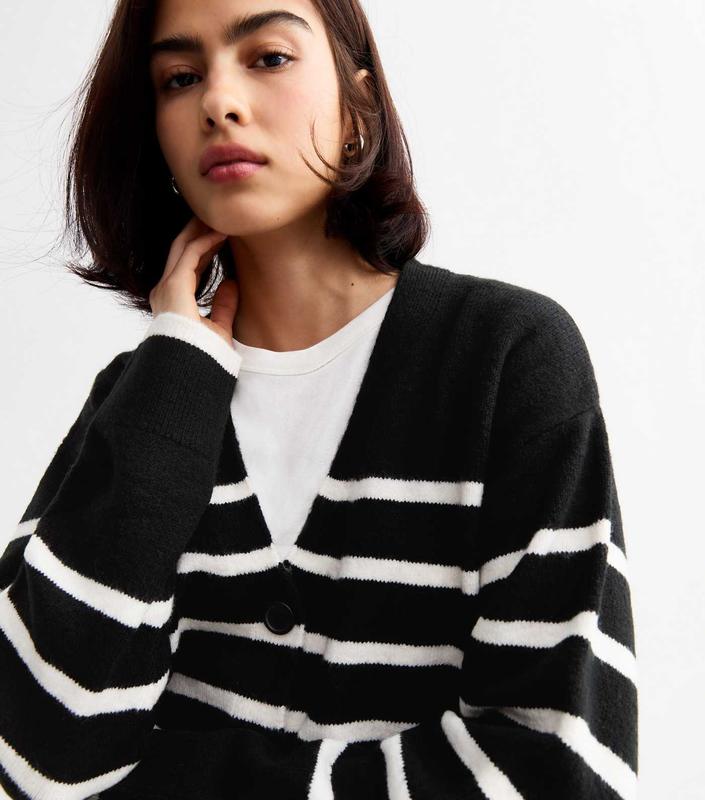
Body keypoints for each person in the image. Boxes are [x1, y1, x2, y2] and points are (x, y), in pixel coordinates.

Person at [0, 1, 638, 798]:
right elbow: (39, 756)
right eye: (179, 78)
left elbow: (562, 772)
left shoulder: (502, 360)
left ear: (357, 101)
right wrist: (176, 376)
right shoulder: (146, 404)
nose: (218, 102)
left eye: (267, 58)